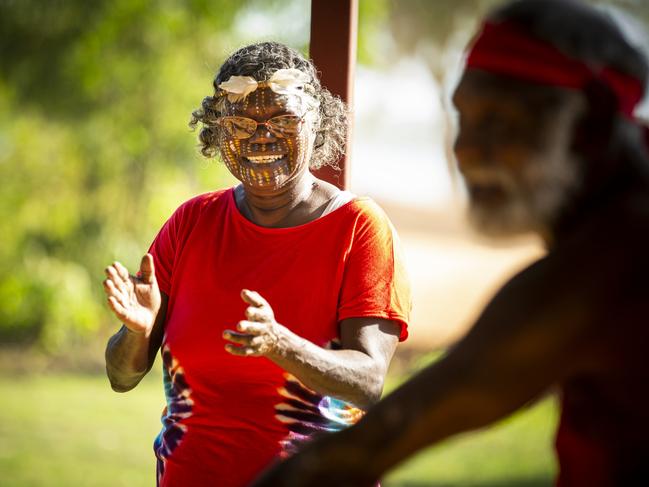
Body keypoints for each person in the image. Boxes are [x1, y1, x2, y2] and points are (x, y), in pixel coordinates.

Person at [249, 1, 649, 486]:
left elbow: (366, 447)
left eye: (499, 120)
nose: (466, 148)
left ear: (592, 122)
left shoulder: (607, 268)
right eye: (464, 117)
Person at [102, 41, 410, 487]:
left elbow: (367, 382)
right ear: (217, 132)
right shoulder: (192, 222)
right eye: (242, 123)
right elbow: (121, 377)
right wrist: (137, 331)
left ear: (315, 122)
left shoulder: (357, 227)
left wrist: (281, 345)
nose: (261, 136)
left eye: (283, 119)